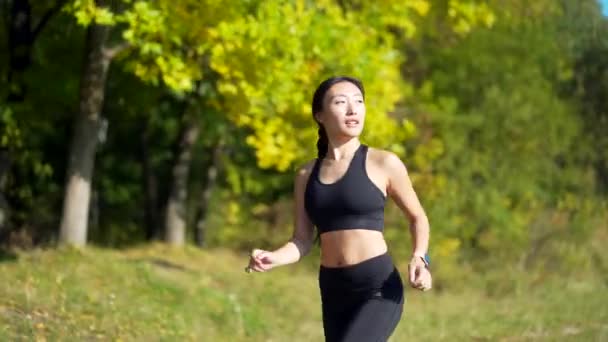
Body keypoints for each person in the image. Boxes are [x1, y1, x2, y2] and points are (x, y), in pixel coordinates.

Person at [246, 76, 432, 342]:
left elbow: (418, 217)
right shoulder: (305, 174)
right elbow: (301, 240)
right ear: (320, 115)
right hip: (333, 289)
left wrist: (420, 258)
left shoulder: (383, 162)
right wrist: (273, 258)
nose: (352, 109)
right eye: (341, 102)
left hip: (377, 287)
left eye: (358, 102)